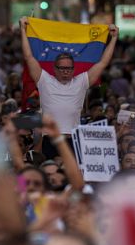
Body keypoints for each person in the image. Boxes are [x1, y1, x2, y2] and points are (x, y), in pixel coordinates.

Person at [19, 17, 118, 159]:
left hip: (73, 141)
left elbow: (102, 63)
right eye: (62, 68)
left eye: (69, 68)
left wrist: (113, 38)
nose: (66, 71)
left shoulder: (82, 81)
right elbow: (29, 57)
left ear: (73, 69)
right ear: (54, 68)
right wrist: (23, 30)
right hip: (50, 140)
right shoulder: (44, 80)